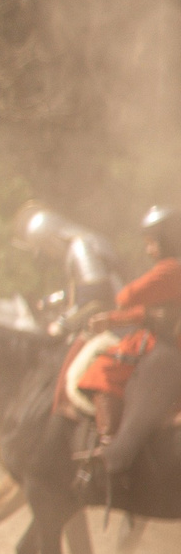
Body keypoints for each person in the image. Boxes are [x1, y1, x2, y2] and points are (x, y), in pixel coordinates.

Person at [82, 205, 181, 495]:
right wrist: (111, 320)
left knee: (105, 367)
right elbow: (154, 313)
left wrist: (117, 311)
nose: (149, 249)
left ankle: (112, 449)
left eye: (152, 242)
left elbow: (127, 297)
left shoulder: (172, 269)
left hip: (170, 350)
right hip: (167, 342)